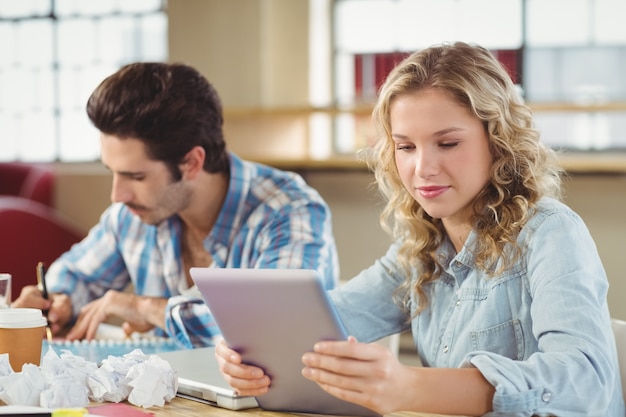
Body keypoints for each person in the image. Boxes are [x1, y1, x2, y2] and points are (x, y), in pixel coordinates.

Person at [215, 42, 625, 416]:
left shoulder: (551, 233)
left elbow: (585, 381)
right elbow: (324, 324)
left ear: (498, 141)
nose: (422, 168)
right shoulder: (420, 251)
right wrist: (247, 347)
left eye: (447, 143)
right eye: (405, 146)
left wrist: (409, 386)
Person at [13, 62, 339, 349]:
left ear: (192, 163)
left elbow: (271, 328)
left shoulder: (289, 211)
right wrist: (57, 301)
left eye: (136, 176)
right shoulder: (133, 215)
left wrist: (146, 309)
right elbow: (75, 275)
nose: (117, 194)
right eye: (113, 172)